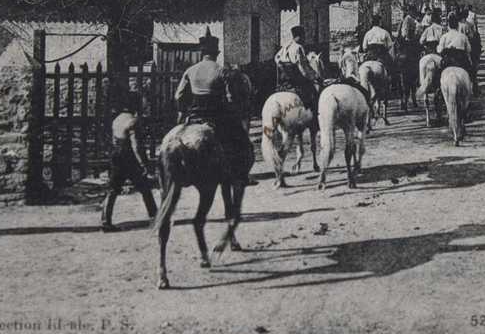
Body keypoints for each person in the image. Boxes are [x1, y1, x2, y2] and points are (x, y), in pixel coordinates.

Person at [174, 30, 255, 185]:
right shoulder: (222, 71)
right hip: (217, 116)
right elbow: (230, 97)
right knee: (242, 140)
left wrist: (181, 112)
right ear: (216, 53)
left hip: (194, 116)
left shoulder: (190, 71)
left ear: (202, 53)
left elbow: (179, 95)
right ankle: (242, 175)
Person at [101, 91, 158, 232]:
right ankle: (155, 216)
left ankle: (105, 221)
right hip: (129, 157)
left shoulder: (117, 119)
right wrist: (144, 164)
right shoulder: (133, 121)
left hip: (116, 156)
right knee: (145, 188)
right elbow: (136, 146)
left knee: (113, 189)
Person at [275, 25, 321, 120]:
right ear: (299, 36)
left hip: (284, 81)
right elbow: (303, 68)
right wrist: (316, 76)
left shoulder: (286, 46)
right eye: (303, 36)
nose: (304, 38)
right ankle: (314, 119)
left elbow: (276, 58)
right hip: (297, 81)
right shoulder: (298, 48)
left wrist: (282, 65)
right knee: (315, 94)